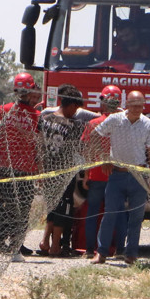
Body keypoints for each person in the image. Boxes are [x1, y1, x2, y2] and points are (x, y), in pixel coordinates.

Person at [89, 91, 150, 266]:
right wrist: (104, 156)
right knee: (110, 214)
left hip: (139, 176)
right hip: (117, 175)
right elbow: (94, 135)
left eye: (140, 105)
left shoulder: (148, 124)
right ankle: (101, 253)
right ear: (127, 104)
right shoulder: (115, 119)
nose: (136, 108)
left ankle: (131, 254)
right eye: (133, 105)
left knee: (136, 217)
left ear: (144, 106)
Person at [0, 72, 43, 261]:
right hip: (25, 171)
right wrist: (39, 172)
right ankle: (15, 251)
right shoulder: (37, 116)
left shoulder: (3, 110)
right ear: (31, 90)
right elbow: (39, 147)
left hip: (4, 169)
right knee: (21, 210)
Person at [38, 85, 91, 256]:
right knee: (63, 208)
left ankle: (45, 240)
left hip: (46, 170)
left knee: (51, 206)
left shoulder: (44, 119)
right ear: (70, 105)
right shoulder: (73, 125)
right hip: (64, 171)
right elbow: (80, 147)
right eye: (75, 108)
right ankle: (54, 247)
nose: (75, 112)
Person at [81, 85, 125, 260]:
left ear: (103, 101)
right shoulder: (125, 124)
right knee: (119, 213)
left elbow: (86, 150)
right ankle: (120, 249)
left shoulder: (93, 124)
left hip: (97, 175)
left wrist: (86, 174)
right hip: (119, 175)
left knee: (93, 212)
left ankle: (90, 250)